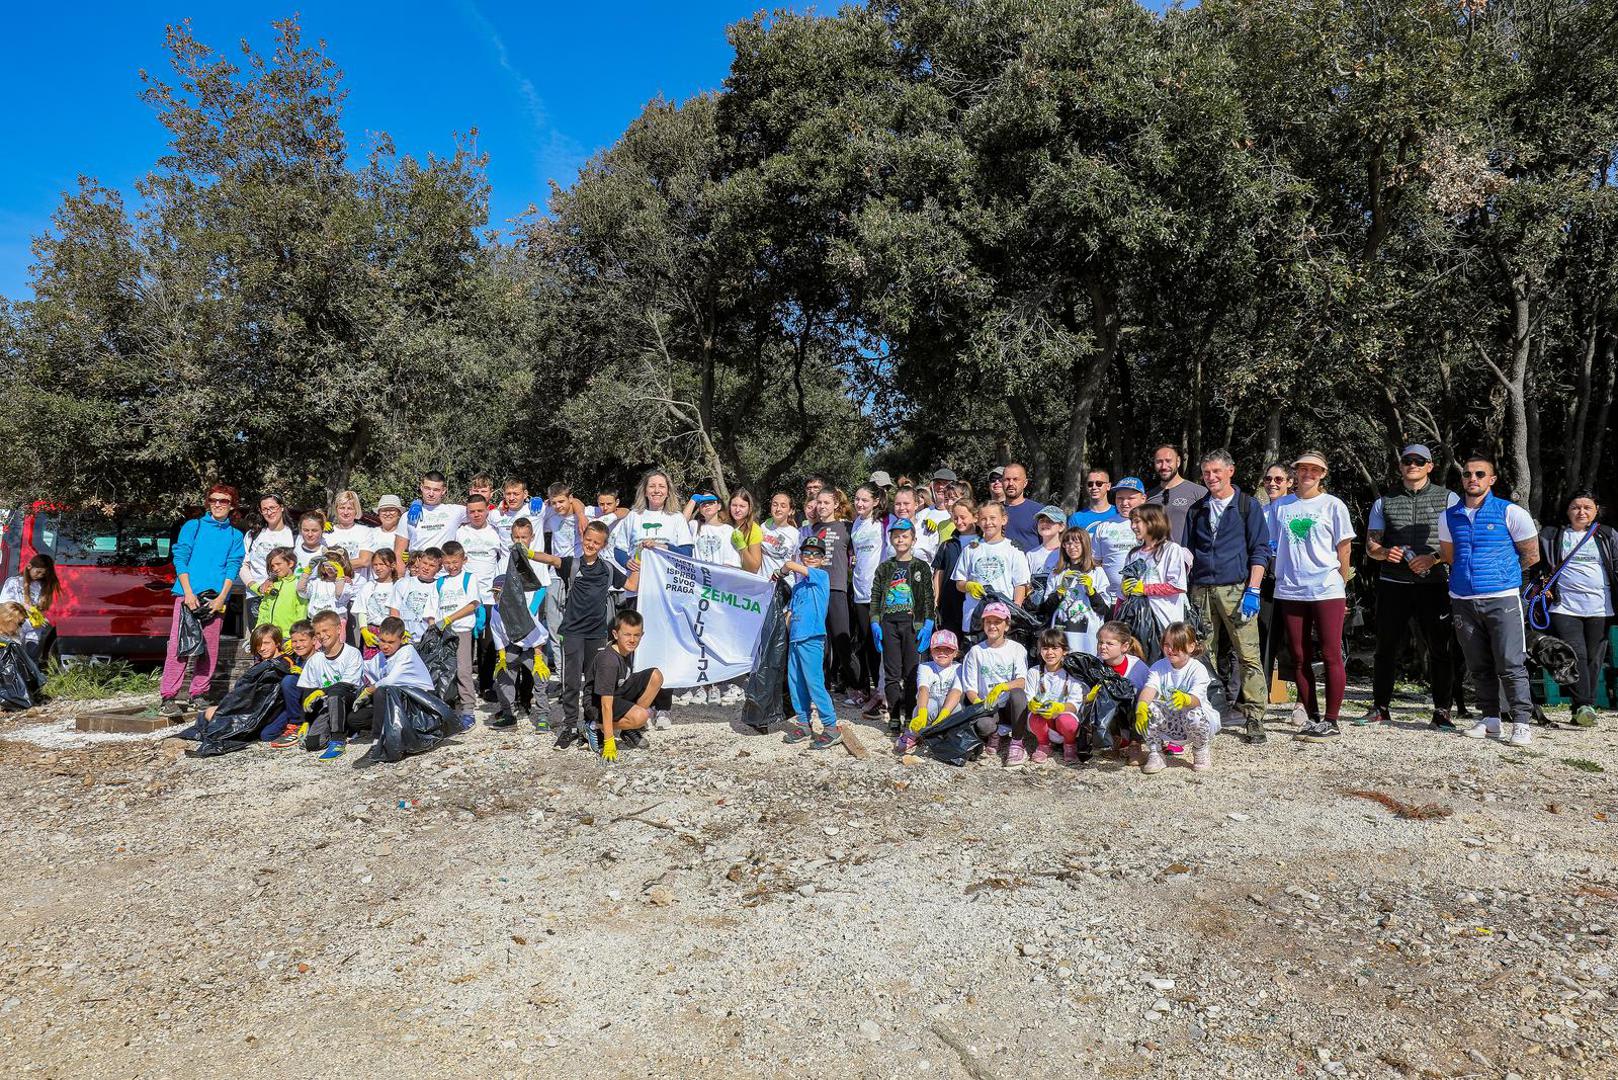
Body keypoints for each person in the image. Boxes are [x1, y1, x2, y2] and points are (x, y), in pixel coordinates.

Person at [1440, 454, 1541, 745]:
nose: (1473, 479)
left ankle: (1521, 722)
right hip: (1462, 598)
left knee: (1510, 661)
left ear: (1492, 479)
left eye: (1480, 474)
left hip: (1502, 597)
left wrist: (1501, 574)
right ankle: (1491, 719)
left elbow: (1531, 555)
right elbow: (1449, 556)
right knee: (1478, 663)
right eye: (1468, 474)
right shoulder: (1449, 516)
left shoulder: (1510, 512)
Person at [1364, 444, 1462, 729]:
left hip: (1435, 583)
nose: (1413, 465)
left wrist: (1433, 558)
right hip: (1393, 583)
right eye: (1408, 460)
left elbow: (1460, 542)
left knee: (1440, 649)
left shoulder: (1449, 498)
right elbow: (1372, 545)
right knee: (1385, 648)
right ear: (1400, 466)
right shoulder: (1385, 501)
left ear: (1430, 466)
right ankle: (1380, 707)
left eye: (1420, 461)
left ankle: (1442, 710)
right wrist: (1384, 553)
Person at [1181, 449, 1271, 743]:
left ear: (1230, 471)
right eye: (1207, 473)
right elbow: (1187, 553)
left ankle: (1255, 716)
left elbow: (1260, 550)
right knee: (1202, 655)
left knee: (1248, 655)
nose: (1211, 478)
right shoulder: (1197, 509)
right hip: (1201, 591)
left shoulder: (1247, 506)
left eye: (1217, 471)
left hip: (1237, 590)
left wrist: (1253, 589)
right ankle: (1207, 711)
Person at [1273, 451, 1356, 743]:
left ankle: (1332, 720)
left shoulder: (1333, 505)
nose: (1308, 473)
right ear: (1295, 472)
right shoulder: (1281, 506)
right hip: (1291, 588)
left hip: (1326, 588)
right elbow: (1272, 544)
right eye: (1303, 468)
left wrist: (1341, 588)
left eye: (1315, 469)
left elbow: (1344, 549)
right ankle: (1312, 717)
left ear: (1323, 473)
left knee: (1332, 653)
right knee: (1298, 656)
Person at [160, 484, 245, 716]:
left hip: (214, 599)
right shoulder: (193, 526)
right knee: (179, 648)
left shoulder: (235, 536)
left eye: (224, 501)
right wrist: (187, 592)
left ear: (231, 505)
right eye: (214, 500)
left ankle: (198, 693)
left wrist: (221, 598)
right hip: (187, 595)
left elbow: (233, 566)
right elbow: (181, 558)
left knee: (209, 649)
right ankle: (168, 696)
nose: (218, 504)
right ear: (208, 502)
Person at [1535, 490, 1614, 727]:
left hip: (1601, 607)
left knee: (1594, 658)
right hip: (1564, 606)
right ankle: (1584, 705)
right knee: (1574, 654)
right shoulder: (1552, 535)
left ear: (1596, 510)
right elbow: (1537, 563)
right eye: (1576, 507)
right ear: (1567, 510)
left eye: (1587, 507)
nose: (1581, 512)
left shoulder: (1607, 535)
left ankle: (1580, 706)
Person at [554, 519, 636, 746]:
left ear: (603, 545)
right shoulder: (572, 564)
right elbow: (552, 559)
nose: (591, 544)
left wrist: (641, 560)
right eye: (588, 540)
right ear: (582, 539)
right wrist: (528, 552)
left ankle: (592, 724)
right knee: (570, 681)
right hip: (572, 632)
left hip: (597, 634)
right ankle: (570, 725)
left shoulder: (608, 569)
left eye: (596, 542)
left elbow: (630, 585)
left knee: (594, 683)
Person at [937, 602, 1030, 766]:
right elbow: (970, 689)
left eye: (997, 622)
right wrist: (981, 705)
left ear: (1006, 625)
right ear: (983, 625)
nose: (992, 626)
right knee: (983, 725)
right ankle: (995, 734)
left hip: (1010, 705)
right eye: (988, 622)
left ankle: (1017, 742)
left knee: (1018, 694)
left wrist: (1003, 687)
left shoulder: (1017, 649)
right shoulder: (976, 652)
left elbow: (1021, 681)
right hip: (989, 705)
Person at [488, 518, 554, 731]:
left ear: (531, 538)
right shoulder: (497, 609)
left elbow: (539, 634)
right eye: (515, 537)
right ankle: (508, 713)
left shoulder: (535, 559)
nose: (519, 541)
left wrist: (538, 658)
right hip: (513, 643)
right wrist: (501, 658)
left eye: (523, 537)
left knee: (539, 677)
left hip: (532, 635)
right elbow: (497, 634)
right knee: (504, 673)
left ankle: (542, 714)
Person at [778, 535, 843, 751]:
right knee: (796, 683)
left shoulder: (821, 577)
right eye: (806, 553)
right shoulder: (798, 587)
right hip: (796, 640)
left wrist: (787, 566)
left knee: (815, 684)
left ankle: (831, 727)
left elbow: (796, 568)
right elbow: (790, 614)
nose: (811, 556)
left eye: (816, 553)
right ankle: (803, 724)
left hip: (812, 639)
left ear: (823, 559)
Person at [871, 519, 936, 734]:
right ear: (890, 539)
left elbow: (928, 596)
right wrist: (874, 622)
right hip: (888, 624)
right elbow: (875, 597)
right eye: (896, 535)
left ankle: (909, 714)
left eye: (905, 535)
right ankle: (894, 716)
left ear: (913, 539)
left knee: (911, 673)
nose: (900, 539)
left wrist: (928, 622)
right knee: (891, 673)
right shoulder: (884, 568)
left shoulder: (921, 567)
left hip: (912, 625)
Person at [1133, 622, 1217, 774]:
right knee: (1148, 708)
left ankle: (1200, 750)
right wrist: (1141, 705)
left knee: (1194, 712)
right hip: (1171, 722)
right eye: (1167, 644)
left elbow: (1197, 698)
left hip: (1195, 722)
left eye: (1176, 645)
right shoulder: (1158, 666)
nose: (1170, 650)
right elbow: (1150, 687)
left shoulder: (1197, 669)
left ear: (1191, 646)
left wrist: (1186, 699)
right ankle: (1156, 753)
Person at [588, 609, 669, 761]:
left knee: (656, 676)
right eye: (627, 634)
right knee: (641, 717)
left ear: (642, 635)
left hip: (617, 692)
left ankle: (628, 729)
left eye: (636, 635)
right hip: (597, 703)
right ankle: (594, 726)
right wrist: (609, 740)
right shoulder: (609, 661)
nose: (632, 640)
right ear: (615, 634)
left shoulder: (625, 649)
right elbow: (605, 704)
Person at [1119, 503, 1192, 654]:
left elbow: (1177, 585)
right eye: (1132, 522)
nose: (1133, 526)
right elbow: (1125, 590)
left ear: (1153, 521)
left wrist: (1145, 589)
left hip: (1164, 622)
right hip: (1135, 621)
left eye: (1137, 521)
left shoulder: (1171, 549)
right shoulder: (1133, 553)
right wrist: (1125, 591)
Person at [293, 609, 365, 759]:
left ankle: (338, 740)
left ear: (339, 629)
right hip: (327, 705)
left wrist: (323, 690)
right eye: (318, 633)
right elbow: (308, 691)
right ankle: (338, 728)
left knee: (336, 691)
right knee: (312, 744)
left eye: (326, 630)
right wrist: (306, 721)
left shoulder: (352, 653)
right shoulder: (315, 660)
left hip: (350, 701)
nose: (322, 636)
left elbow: (348, 684)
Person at [435, 541, 490, 733]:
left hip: (461, 631)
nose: (451, 566)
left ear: (463, 560)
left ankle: (468, 710)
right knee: (445, 671)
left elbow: (472, 604)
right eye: (447, 562)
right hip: (443, 633)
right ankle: (448, 708)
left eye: (455, 562)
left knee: (463, 670)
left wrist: (449, 619)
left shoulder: (469, 578)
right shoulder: (440, 581)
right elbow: (434, 608)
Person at [614, 468, 695, 598]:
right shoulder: (634, 516)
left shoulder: (677, 517)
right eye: (652, 486)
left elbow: (687, 554)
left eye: (661, 486)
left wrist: (662, 546)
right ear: (645, 492)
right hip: (637, 591)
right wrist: (627, 562)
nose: (657, 490)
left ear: (668, 492)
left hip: (668, 591)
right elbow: (618, 550)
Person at [953, 501, 1031, 630]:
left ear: (1004, 520)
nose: (988, 522)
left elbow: (1021, 584)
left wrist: (1015, 609)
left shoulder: (1013, 549)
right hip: (974, 617)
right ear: (978, 521)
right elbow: (959, 583)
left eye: (993, 518)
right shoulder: (970, 549)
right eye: (983, 519)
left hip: (1002, 617)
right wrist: (968, 586)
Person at [811, 488, 858, 695]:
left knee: (842, 640)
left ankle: (857, 686)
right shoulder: (814, 528)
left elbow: (857, 553)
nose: (822, 506)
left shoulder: (847, 527)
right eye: (819, 502)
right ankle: (823, 685)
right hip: (816, 589)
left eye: (826, 503)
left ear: (836, 505)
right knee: (820, 641)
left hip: (837, 588)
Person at [1024, 629, 1089, 765]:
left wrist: (1058, 707)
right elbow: (1029, 698)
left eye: (1055, 648)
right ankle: (1044, 745)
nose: (1050, 653)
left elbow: (1074, 705)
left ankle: (1069, 744)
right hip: (1043, 722)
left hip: (1063, 721)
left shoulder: (1072, 674)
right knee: (1034, 718)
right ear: (1040, 650)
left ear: (1064, 651)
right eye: (1045, 648)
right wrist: (1033, 705)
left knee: (1067, 721)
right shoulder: (1034, 672)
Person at [848, 484, 886, 713]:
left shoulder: (882, 522)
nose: (860, 504)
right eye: (857, 499)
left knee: (877, 645)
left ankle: (882, 695)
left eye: (865, 500)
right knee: (865, 642)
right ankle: (871, 691)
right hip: (859, 590)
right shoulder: (856, 523)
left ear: (875, 502)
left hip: (877, 592)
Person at [894, 629, 962, 755]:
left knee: (957, 707)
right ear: (931, 651)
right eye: (938, 649)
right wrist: (922, 712)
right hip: (929, 709)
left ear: (955, 652)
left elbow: (956, 692)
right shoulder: (925, 667)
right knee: (925, 706)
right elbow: (923, 689)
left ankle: (942, 736)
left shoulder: (960, 668)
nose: (942, 652)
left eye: (948, 649)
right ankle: (913, 734)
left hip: (949, 709)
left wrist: (943, 715)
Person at [1046, 528, 1113, 655]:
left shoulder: (1097, 572)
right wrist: (1059, 591)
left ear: (1085, 545)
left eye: (1077, 543)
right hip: (1061, 638)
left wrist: (1091, 592)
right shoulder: (1056, 573)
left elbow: (1104, 610)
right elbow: (1046, 609)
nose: (1072, 547)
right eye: (1068, 543)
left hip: (1088, 640)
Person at [239, 495, 293, 627]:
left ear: (281, 508)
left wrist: (272, 580)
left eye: (273, 508)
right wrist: (253, 585)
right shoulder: (253, 535)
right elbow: (243, 564)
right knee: (259, 642)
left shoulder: (294, 534)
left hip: (285, 596)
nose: (269, 512)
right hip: (256, 596)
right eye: (265, 509)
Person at [266, 620, 320, 747]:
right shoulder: (295, 660)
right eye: (294, 641)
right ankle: (293, 724)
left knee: (289, 680)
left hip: (312, 705)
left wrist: (304, 674)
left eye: (302, 640)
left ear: (314, 640)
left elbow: (327, 683)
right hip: (295, 706)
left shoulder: (320, 659)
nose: (298, 645)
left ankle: (297, 725)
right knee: (267, 734)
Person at [1, 554, 60, 663]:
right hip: (15, 627)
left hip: (34, 629)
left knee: (32, 658)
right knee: (14, 656)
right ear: (29, 566)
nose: (40, 575)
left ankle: (31, 677)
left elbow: (44, 608)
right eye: (38, 572)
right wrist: (24, 607)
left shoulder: (43, 586)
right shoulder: (14, 582)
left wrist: (41, 616)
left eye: (43, 573)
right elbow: (4, 604)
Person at [1092, 477, 1147, 594]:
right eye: (1120, 498)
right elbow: (1095, 563)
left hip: (1144, 597)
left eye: (1130, 498)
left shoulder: (1152, 525)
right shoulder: (1104, 526)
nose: (1124, 503)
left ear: (1143, 499)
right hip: (1110, 598)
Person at [932, 500, 977, 636]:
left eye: (963, 517)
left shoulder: (983, 542)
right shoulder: (947, 545)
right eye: (955, 518)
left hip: (974, 603)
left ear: (975, 517)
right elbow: (939, 574)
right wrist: (936, 601)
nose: (959, 521)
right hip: (950, 603)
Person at [1145, 445, 1209, 542]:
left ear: (1178, 461)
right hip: (1156, 556)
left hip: (1189, 556)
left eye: (1168, 461)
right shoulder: (1148, 497)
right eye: (1159, 462)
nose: (1163, 466)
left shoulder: (1199, 493)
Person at [350, 549, 400, 655]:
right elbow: (362, 610)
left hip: (393, 633)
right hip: (372, 632)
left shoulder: (400, 585)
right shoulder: (369, 586)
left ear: (393, 565)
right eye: (375, 565)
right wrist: (364, 630)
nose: (378, 568)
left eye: (381, 564)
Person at [389, 548, 443, 642]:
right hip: (405, 638)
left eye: (432, 565)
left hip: (428, 640)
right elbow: (394, 610)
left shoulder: (440, 587)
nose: (426, 568)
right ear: (419, 562)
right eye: (424, 563)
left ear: (439, 568)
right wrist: (400, 632)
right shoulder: (403, 583)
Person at [407, 471, 466, 555]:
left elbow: (481, 510)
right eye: (427, 488)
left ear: (444, 490)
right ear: (421, 487)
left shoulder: (456, 511)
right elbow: (399, 550)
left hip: (445, 567)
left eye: (436, 490)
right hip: (417, 565)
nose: (431, 494)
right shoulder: (409, 515)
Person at [253, 548, 306, 636]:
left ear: (290, 563)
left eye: (278, 564)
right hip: (267, 636)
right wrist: (257, 631)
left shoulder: (298, 585)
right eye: (272, 566)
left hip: (287, 637)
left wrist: (297, 636)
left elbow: (301, 613)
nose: (275, 568)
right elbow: (263, 610)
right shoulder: (271, 585)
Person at [296, 548, 352, 631]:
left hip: (335, 624)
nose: (330, 568)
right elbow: (301, 590)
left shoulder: (345, 584)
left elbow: (339, 595)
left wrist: (340, 575)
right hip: (315, 622)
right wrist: (308, 570)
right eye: (327, 565)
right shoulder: (316, 582)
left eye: (333, 565)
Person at [325, 491, 376, 578]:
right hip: (331, 586)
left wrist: (334, 565)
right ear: (336, 509)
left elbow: (365, 561)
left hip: (357, 588)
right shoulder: (326, 533)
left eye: (350, 508)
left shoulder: (365, 531)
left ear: (356, 510)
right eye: (342, 508)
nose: (345, 512)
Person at [1024, 505, 1066, 606]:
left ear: (1061, 527)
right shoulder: (1031, 554)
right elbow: (1025, 583)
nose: (1044, 523)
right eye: (1041, 520)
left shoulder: (1066, 552)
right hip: (1036, 609)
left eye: (1050, 521)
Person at [999, 463, 1043, 550]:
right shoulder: (993, 511)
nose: (1011, 483)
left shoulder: (1039, 512)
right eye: (1007, 479)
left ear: (1025, 483)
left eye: (1016, 479)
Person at [760, 493, 800, 582]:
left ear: (790, 511)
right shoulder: (763, 527)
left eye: (783, 506)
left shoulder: (795, 534)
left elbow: (796, 563)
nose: (778, 509)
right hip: (763, 582)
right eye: (775, 505)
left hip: (784, 583)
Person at [726, 489, 765, 575]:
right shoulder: (725, 526)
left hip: (742, 582)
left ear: (749, 508)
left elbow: (754, 568)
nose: (737, 510)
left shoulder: (754, 530)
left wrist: (742, 547)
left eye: (742, 506)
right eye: (734, 505)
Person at [920, 470, 958, 546]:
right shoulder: (922, 514)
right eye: (938, 483)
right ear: (933, 486)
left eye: (945, 483)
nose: (941, 487)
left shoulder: (958, 515)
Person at [372, 495, 409, 562]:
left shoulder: (406, 535)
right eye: (384, 510)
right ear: (378, 514)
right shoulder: (370, 534)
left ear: (399, 514)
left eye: (392, 510)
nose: (388, 513)